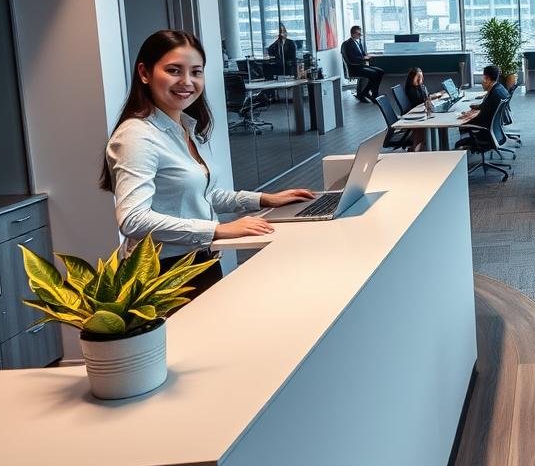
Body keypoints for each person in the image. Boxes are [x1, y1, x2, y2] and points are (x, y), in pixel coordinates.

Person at [101, 30, 315, 299]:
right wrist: (217, 229)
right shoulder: (136, 136)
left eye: (196, 72)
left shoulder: (186, 127)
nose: (187, 82)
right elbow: (133, 219)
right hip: (160, 275)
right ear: (144, 73)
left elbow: (203, 196)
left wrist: (264, 199)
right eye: (174, 70)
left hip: (198, 261)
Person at [456, 65, 509, 146]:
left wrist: (465, 119)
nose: (482, 81)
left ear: (487, 79)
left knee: (460, 136)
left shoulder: (494, 94)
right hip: (494, 130)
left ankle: (465, 150)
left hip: (486, 132)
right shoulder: (499, 88)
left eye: (483, 77)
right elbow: (486, 108)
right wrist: (476, 107)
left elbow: (481, 118)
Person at [341, 25, 383, 102]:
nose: (360, 36)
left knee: (380, 71)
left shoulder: (358, 42)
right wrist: (363, 58)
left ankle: (368, 93)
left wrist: (367, 56)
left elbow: (362, 54)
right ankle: (369, 94)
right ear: (353, 34)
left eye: (361, 34)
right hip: (354, 68)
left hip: (361, 66)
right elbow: (351, 59)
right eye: (358, 34)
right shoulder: (347, 44)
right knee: (374, 74)